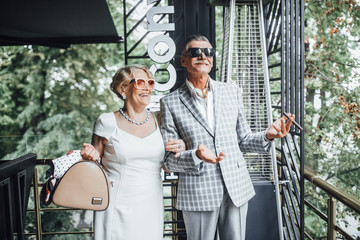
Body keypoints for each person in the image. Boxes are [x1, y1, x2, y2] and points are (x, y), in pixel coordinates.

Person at [160, 34, 295, 240]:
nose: (203, 56)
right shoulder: (170, 102)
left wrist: (268, 136)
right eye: (195, 52)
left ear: (213, 60)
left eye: (209, 52)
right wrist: (196, 155)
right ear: (184, 60)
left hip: (236, 187)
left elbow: (244, 140)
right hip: (198, 192)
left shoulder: (232, 92)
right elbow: (169, 161)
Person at [80, 64, 185, 240]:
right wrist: (89, 156)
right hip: (116, 203)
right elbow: (93, 166)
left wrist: (180, 146)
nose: (147, 88)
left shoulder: (161, 119)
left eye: (150, 83)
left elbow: (168, 165)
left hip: (151, 203)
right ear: (124, 88)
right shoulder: (106, 122)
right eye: (140, 82)